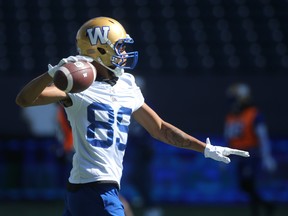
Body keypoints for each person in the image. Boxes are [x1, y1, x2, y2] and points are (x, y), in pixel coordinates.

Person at [16, 16, 250, 216]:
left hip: (93, 188)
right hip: (94, 187)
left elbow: (160, 129)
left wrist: (205, 149)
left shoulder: (127, 85)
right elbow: (25, 99)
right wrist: (51, 74)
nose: (124, 53)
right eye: (119, 47)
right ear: (100, 50)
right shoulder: (78, 88)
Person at [224, 83, 277, 216]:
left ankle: (258, 211)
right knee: (244, 185)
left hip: (251, 154)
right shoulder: (231, 116)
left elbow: (262, 136)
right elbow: (229, 138)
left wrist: (267, 156)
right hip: (238, 155)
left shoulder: (253, 114)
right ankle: (267, 206)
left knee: (249, 183)